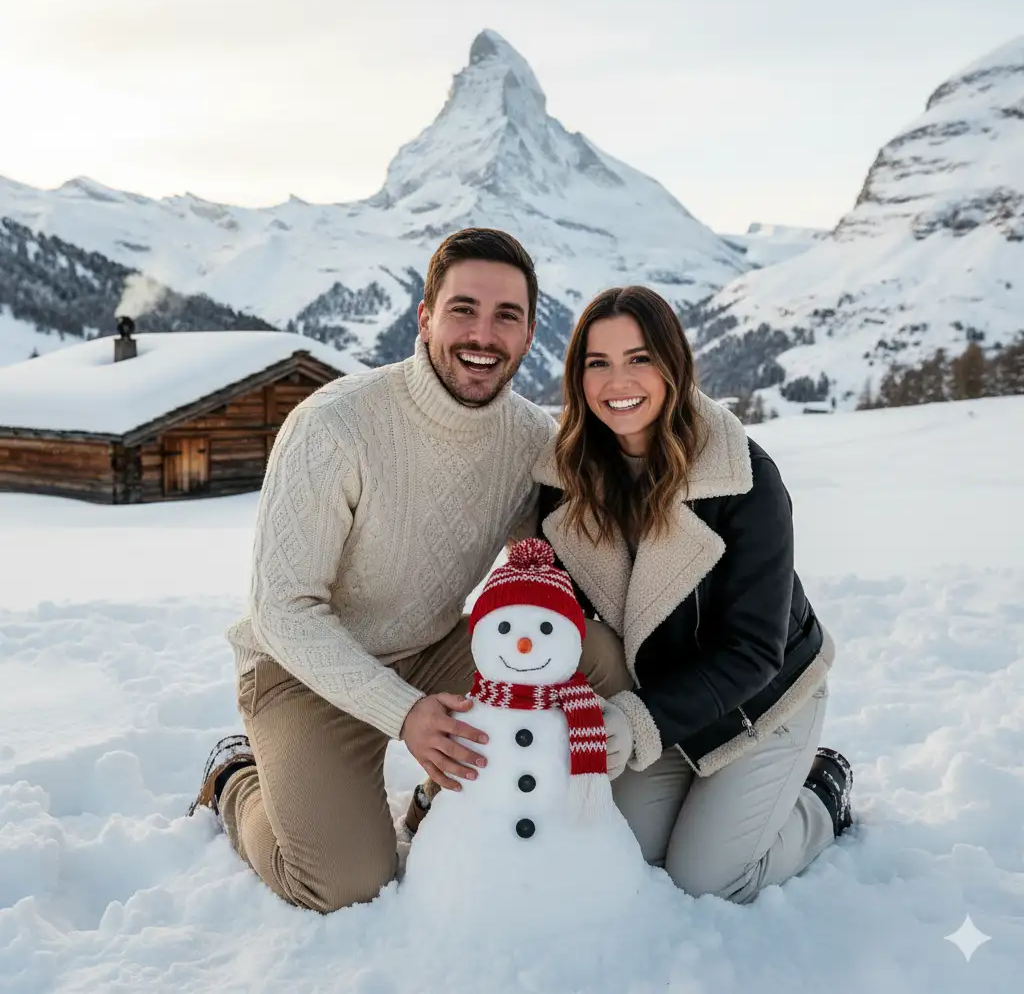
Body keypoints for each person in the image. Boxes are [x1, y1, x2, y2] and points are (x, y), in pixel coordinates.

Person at [187, 228, 633, 913]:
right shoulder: (335, 425)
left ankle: (445, 797)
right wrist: (403, 715)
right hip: (300, 671)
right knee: (345, 885)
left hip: (431, 649)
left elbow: (552, 564)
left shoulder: (529, 437)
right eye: (463, 310)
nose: (482, 334)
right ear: (424, 318)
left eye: (505, 316)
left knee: (592, 655)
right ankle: (235, 778)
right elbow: (283, 610)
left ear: (528, 334)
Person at [532, 285, 854, 905]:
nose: (617, 380)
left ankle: (820, 796)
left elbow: (755, 652)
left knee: (709, 881)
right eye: (597, 362)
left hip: (762, 699)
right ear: (577, 377)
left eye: (639, 358)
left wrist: (633, 720)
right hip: (665, 701)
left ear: (673, 365)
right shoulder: (564, 480)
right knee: (630, 854)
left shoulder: (742, 478)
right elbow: (549, 612)